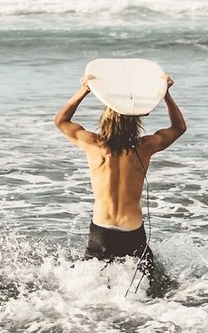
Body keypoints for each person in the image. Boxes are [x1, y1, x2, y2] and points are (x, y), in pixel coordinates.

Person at [54, 72, 186, 295]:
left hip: (101, 228)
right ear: (136, 121)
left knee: (90, 275)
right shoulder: (145, 147)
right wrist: (166, 95)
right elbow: (179, 128)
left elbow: (61, 121)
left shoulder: (94, 145)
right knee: (146, 279)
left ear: (105, 119)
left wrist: (85, 90)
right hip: (131, 229)